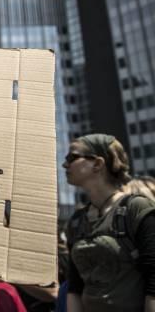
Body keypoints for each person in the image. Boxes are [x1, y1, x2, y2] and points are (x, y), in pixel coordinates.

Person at [63, 133, 155, 312]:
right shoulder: (76, 222)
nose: (65, 164)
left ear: (97, 164)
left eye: (72, 157)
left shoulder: (136, 209)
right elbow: (75, 287)